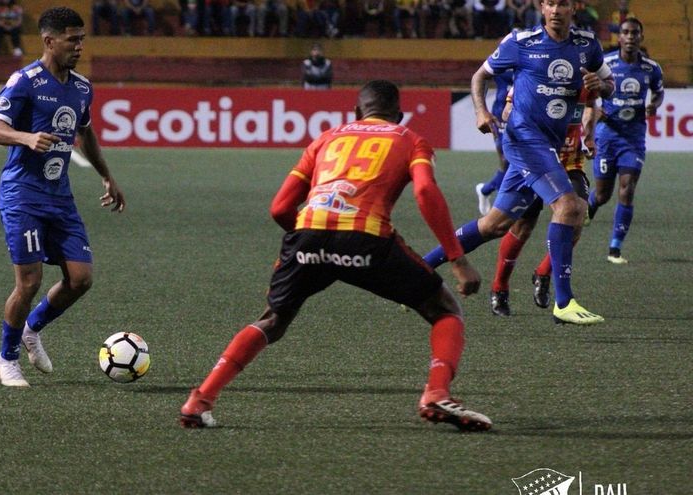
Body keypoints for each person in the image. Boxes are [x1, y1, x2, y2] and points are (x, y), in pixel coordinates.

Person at [180, 80, 492, 432]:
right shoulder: (409, 139)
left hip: (308, 234)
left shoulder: (326, 138)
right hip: (365, 239)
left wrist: (301, 249)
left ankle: (200, 400)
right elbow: (424, 191)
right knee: (445, 310)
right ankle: (436, 392)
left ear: (357, 112)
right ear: (399, 115)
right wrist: (458, 260)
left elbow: (280, 207)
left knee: (273, 320)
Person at [422, 0, 615, 325]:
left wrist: (602, 87)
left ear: (574, 8)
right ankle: (563, 302)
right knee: (569, 206)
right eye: (550, 3)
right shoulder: (520, 42)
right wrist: (481, 111)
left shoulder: (587, 45)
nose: (556, 9)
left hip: (552, 146)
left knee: (494, 225)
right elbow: (480, 76)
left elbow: (609, 86)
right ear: (542, 7)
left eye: (563, 3)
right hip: (524, 139)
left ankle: (420, 269)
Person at [0, 6, 126, 387]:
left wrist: (107, 176)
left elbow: (86, 133)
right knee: (29, 283)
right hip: (23, 194)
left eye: (82, 39)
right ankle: (6, 359)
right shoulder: (25, 81)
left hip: (60, 197)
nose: (79, 46)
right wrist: (26, 137)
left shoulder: (81, 87)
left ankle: (32, 329)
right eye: (72, 40)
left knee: (80, 278)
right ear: (49, 41)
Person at [489, 85, 596, 315]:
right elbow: (507, 112)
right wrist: (521, 113)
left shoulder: (586, 76)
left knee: (576, 218)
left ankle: (544, 273)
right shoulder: (533, 75)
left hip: (570, 163)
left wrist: (589, 135)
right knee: (522, 227)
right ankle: (499, 286)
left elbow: (590, 105)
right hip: (537, 162)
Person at [587, 18, 663, 264]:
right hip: (607, 136)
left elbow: (659, 92)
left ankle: (615, 248)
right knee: (602, 195)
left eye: (635, 33)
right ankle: (588, 208)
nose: (630, 37)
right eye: (626, 33)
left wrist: (654, 104)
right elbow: (587, 91)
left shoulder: (651, 68)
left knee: (627, 189)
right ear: (619, 37)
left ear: (641, 37)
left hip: (633, 138)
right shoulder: (605, 64)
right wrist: (595, 109)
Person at [474, 68, 513, 216]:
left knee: (514, 163)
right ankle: (501, 207)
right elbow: (481, 78)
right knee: (506, 160)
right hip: (501, 116)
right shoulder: (502, 61)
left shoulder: (531, 59)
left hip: (524, 115)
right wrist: (481, 109)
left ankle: (486, 190)